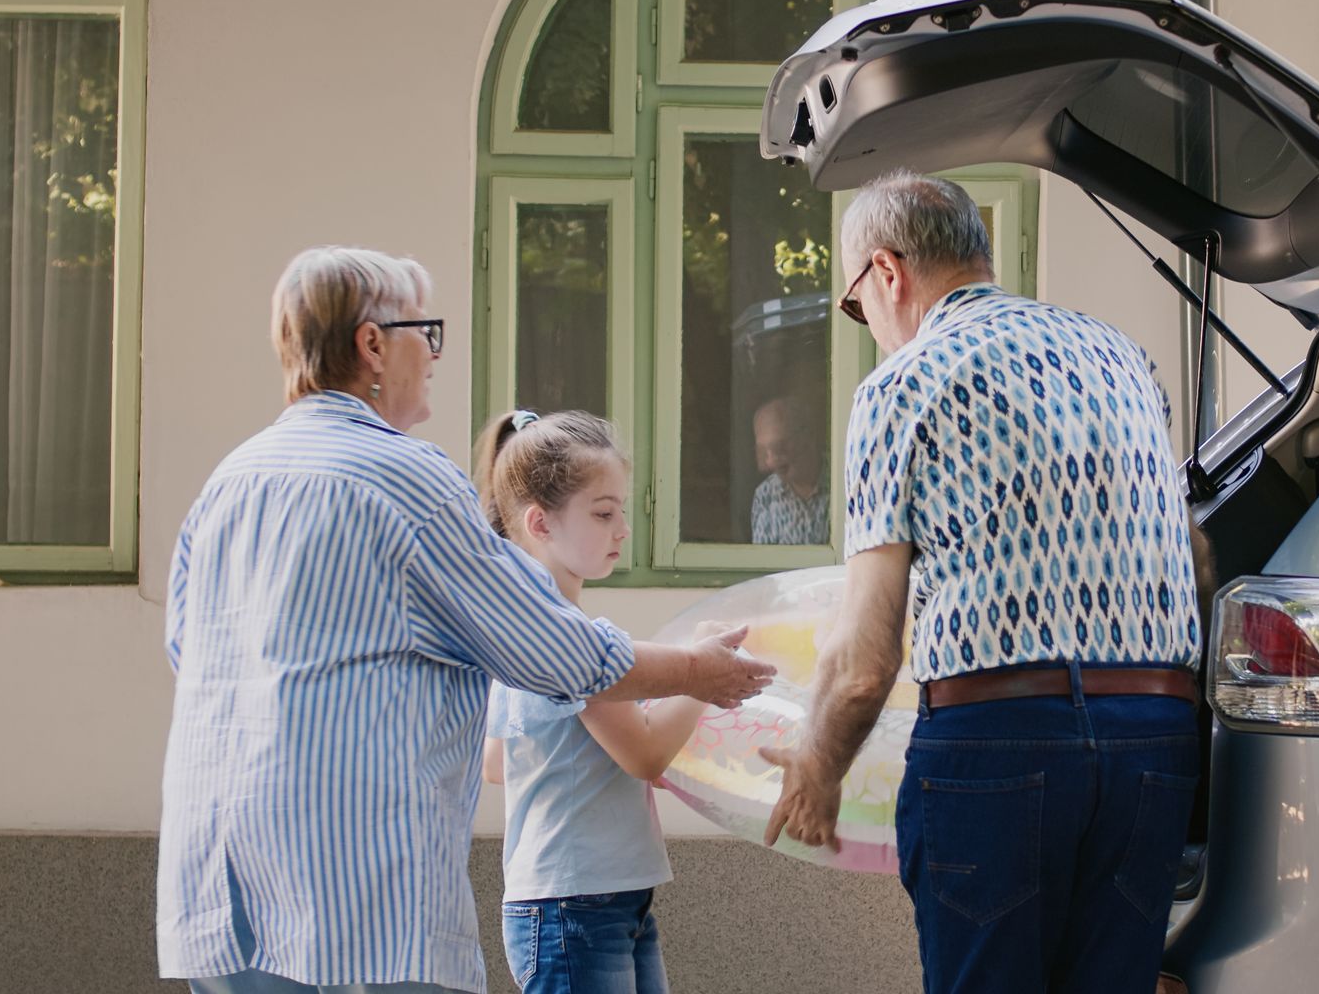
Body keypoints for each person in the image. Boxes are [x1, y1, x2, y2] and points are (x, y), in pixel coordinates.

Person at [158, 247, 773, 994]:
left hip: (222, 890)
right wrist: (695, 671)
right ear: (373, 344)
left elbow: (186, 654)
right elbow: (554, 649)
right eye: (428, 332)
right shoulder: (404, 477)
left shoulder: (228, 482)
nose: (437, 354)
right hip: (352, 899)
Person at [760, 174, 1210, 993]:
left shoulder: (903, 386)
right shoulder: (1124, 358)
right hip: (1156, 731)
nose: (869, 329)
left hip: (1000, 742)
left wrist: (818, 764)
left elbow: (865, 656)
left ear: (887, 273)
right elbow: (1196, 563)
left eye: (856, 306)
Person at [469, 408, 704, 994]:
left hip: (589, 899)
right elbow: (644, 755)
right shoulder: (565, 636)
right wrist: (703, 679)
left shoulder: (520, 622)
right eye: (603, 513)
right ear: (539, 522)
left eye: (621, 509)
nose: (623, 529)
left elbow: (498, 762)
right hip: (574, 907)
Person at [749, 394, 829, 545]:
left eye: (779, 448)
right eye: (763, 452)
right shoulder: (765, 495)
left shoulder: (845, 482)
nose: (770, 462)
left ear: (807, 437)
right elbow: (763, 563)